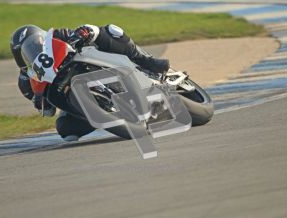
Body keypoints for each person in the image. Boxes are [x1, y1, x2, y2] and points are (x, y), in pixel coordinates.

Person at [10, 24, 170, 141]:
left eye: (33, 44)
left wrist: (85, 32)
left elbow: (88, 31)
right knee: (66, 131)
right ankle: (106, 114)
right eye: (22, 52)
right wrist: (41, 103)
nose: (30, 51)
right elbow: (48, 112)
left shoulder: (58, 36)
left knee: (110, 31)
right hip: (69, 96)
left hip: (92, 65)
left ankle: (147, 61)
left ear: (41, 39)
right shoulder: (26, 83)